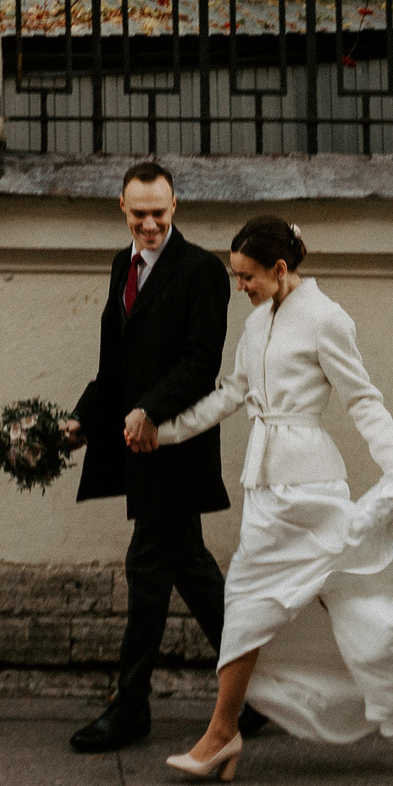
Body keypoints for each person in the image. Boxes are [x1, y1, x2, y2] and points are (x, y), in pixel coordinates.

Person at [146, 214, 393, 782]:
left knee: (289, 606)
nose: (241, 286)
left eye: (248, 276)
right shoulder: (256, 325)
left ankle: (221, 736)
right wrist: (162, 429)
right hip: (267, 493)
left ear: (280, 269)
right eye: (236, 276)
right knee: (334, 609)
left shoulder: (327, 319)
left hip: (312, 491)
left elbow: (364, 401)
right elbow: (231, 393)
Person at [61, 161, 261, 753]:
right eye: (139, 214)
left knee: (148, 571)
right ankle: (254, 697)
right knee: (191, 571)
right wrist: (81, 419)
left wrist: (150, 409)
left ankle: (131, 709)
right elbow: (113, 368)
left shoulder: (200, 271)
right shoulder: (122, 265)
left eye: (160, 213)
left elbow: (200, 365)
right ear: (122, 211)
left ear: (176, 208)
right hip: (137, 444)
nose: (149, 225)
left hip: (176, 448)